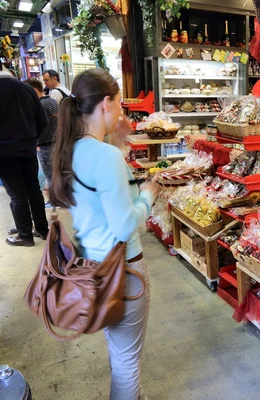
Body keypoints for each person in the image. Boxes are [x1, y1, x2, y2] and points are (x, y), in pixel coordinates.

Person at [49, 68, 159, 400]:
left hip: (93, 268)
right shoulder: (105, 156)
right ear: (105, 104)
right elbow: (125, 225)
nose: (122, 113)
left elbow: (98, 198)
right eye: (120, 105)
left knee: (119, 352)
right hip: (124, 271)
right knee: (127, 363)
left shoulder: (70, 149)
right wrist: (148, 195)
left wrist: (119, 152)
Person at [0, 62, 49, 246]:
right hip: (28, 149)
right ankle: (42, 229)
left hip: (4, 152)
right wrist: (32, 139)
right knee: (33, 189)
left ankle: (25, 234)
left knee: (16, 194)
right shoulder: (27, 88)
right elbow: (42, 121)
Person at [25, 78, 59, 207]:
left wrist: (36, 141)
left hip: (45, 145)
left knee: (50, 175)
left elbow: (41, 125)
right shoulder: (52, 101)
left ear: (33, 90)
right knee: (55, 175)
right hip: (55, 143)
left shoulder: (39, 105)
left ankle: (54, 202)